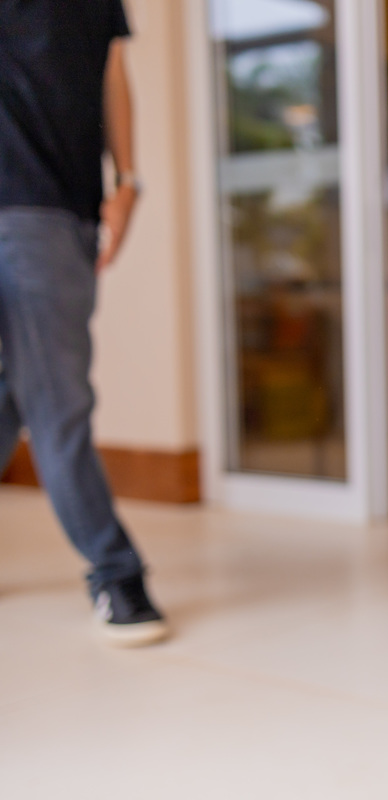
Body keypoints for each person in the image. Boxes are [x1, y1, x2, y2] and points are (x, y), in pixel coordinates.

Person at [0, 1, 168, 646]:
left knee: (29, 390)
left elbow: (110, 73)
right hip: (19, 202)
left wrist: (126, 181)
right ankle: (116, 570)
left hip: (66, 206)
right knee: (56, 399)